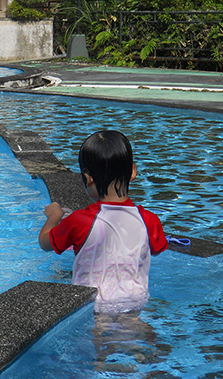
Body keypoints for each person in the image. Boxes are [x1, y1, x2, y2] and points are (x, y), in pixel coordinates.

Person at [38, 130, 168, 312]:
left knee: (97, 335)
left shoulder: (79, 221)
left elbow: (44, 242)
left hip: (92, 306)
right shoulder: (150, 221)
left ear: (88, 178)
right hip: (135, 303)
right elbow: (156, 250)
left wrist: (54, 215)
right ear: (132, 171)